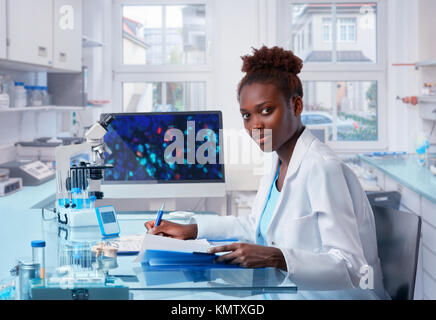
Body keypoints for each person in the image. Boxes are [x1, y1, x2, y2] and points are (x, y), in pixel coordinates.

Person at [145, 46, 386, 298]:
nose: (255, 124)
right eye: (246, 115)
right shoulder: (277, 161)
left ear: (296, 105)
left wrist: (276, 257)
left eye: (266, 110)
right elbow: (255, 227)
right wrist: (191, 230)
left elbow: (351, 266)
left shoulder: (322, 167)